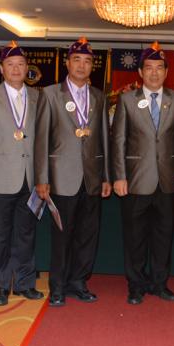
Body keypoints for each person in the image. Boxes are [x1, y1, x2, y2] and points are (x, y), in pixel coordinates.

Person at [111, 41, 174, 305]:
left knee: (163, 237)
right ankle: (135, 286)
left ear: (166, 72)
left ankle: (159, 283)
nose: (154, 73)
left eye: (159, 68)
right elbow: (118, 141)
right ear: (140, 72)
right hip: (135, 180)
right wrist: (119, 176)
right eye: (149, 68)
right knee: (134, 238)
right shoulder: (127, 100)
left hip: (168, 181)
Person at [35, 37, 111, 307]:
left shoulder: (99, 97)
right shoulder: (50, 94)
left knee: (87, 236)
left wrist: (106, 177)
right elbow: (41, 140)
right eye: (77, 60)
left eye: (87, 61)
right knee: (62, 236)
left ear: (92, 66)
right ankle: (57, 286)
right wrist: (42, 178)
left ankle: (78, 282)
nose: (82, 65)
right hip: (60, 178)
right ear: (67, 63)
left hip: (91, 179)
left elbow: (104, 139)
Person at [0, 41, 43, 306]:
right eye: (10, 65)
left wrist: (43, 177)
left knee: (26, 234)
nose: (16, 69)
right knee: (0, 235)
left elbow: (43, 140)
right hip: (0, 178)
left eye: (20, 64)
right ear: (1, 68)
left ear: (27, 68)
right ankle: (1, 285)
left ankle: (25, 283)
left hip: (30, 178)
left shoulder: (38, 97)